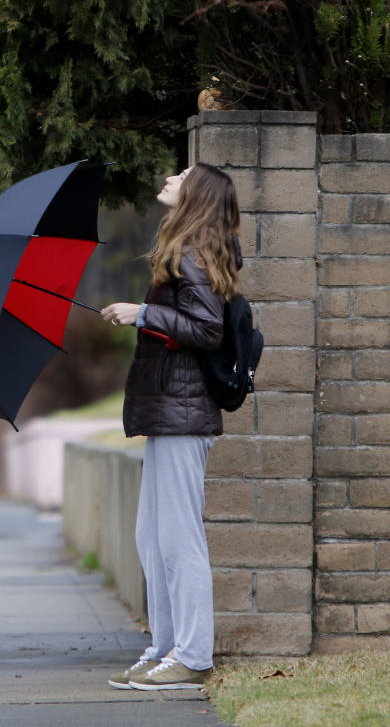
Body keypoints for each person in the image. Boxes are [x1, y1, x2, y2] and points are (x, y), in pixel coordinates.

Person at [100, 162, 241, 691]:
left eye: (180, 175)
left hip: (185, 414)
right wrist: (142, 315)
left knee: (179, 538)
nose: (168, 175)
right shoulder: (184, 246)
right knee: (151, 535)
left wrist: (142, 313)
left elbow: (207, 330)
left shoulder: (193, 253)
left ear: (197, 194)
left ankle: (193, 656)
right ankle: (165, 648)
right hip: (170, 412)